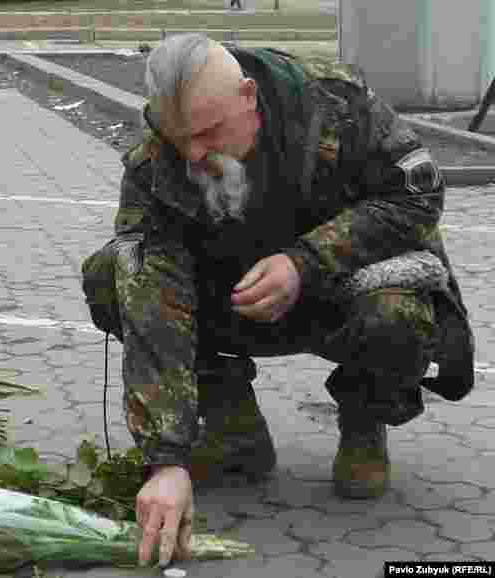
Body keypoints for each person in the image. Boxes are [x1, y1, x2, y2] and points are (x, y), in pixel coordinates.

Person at [81, 34, 475, 568]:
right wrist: (165, 459)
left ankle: (364, 420)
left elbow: (416, 197)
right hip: (230, 305)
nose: (194, 154)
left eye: (209, 133)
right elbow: (150, 286)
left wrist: (305, 262)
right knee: (115, 274)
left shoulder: (334, 106)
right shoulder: (161, 158)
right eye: (181, 139)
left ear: (249, 97)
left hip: (339, 296)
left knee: (398, 313)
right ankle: (231, 421)